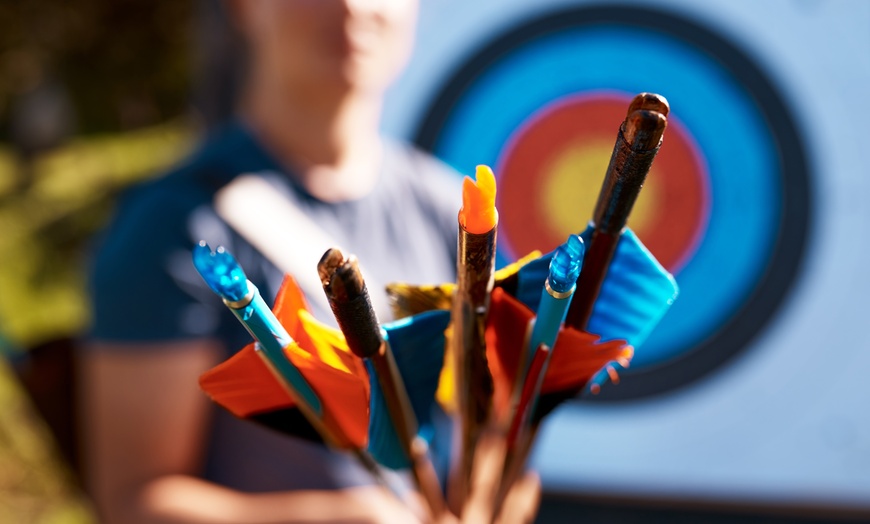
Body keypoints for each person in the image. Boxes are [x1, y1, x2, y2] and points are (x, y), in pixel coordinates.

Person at [80, 1, 539, 523]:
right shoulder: (174, 223)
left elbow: (489, 435)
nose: (352, 7)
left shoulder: (451, 212)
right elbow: (132, 503)